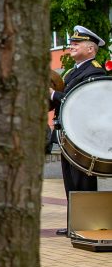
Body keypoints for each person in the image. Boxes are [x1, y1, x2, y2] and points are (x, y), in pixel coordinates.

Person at [48, 25, 109, 236]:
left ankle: (85, 224)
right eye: (71, 42)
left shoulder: (95, 71)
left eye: (77, 43)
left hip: (84, 138)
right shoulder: (73, 71)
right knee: (70, 181)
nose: (71, 45)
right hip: (69, 135)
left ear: (91, 49)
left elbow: (84, 104)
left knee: (83, 181)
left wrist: (54, 95)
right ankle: (75, 222)